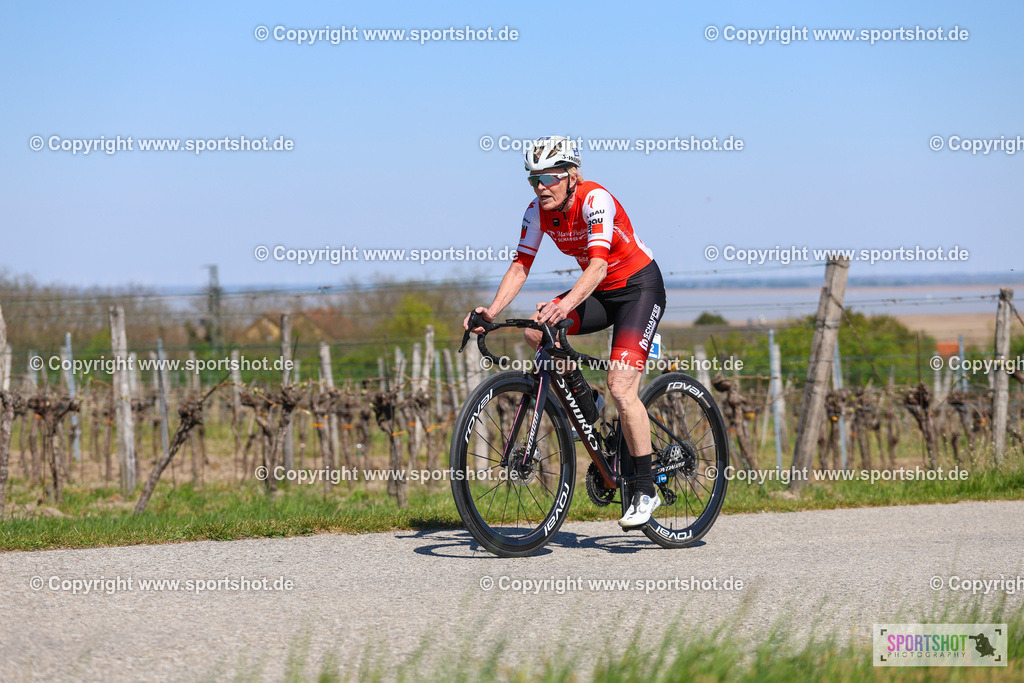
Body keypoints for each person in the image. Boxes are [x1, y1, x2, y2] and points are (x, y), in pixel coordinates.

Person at [463, 135, 667, 526]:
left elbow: (598, 267)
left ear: (573, 176)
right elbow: (521, 265)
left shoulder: (596, 200)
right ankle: (587, 404)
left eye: (550, 178)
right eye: (533, 179)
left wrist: (563, 304)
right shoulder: (536, 212)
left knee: (623, 386)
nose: (541, 187)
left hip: (638, 289)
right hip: (600, 293)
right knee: (538, 333)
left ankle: (644, 489)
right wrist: (491, 310)